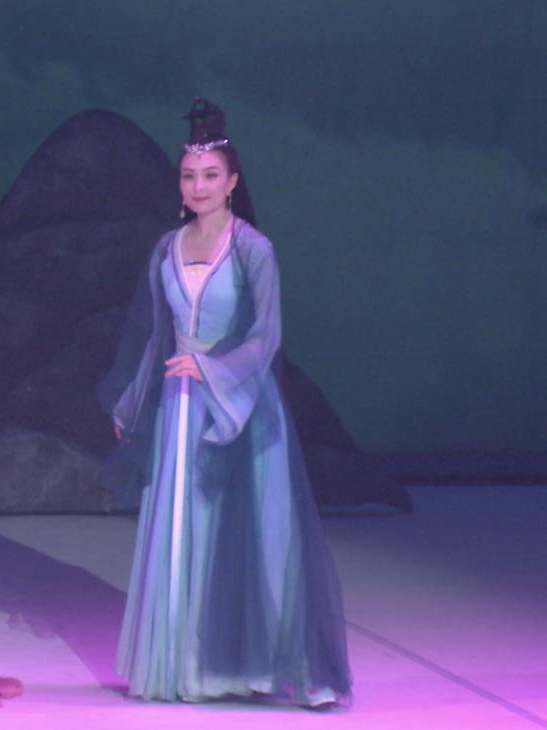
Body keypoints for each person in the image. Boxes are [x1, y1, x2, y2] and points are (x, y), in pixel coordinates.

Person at [97, 97, 353, 707]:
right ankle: (188, 670)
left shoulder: (253, 249)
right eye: (189, 176)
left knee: (254, 538)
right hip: (179, 407)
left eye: (211, 175)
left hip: (240, 408)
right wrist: (132, 403)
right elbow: (156, 334)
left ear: (233, 181)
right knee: (183, 534)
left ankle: (275, 669)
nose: (199, 186)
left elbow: (265, 337)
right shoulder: (165, 247)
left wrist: (211, 368)